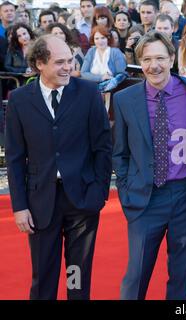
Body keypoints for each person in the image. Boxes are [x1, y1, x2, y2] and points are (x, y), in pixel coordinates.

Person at [5, 34, 112, 300]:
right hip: (40, 201)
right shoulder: (19, 100)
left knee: (76, 274)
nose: (69, 67)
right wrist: (19, 206)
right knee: (43, 274)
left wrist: (99, 193)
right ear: (40, 63)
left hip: (82, 200)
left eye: (71, 61)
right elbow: (15, 157)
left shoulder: (88, 93)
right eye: (60, 62)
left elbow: (103, 147)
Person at [113, 31, 186, 300]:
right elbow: (120, 153)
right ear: (140, 62)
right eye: (147, 59)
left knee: (181, 273)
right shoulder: (124, 99)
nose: (154, 65)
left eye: (161, 58)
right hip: (145, 198)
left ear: (172, 58)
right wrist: (128, 192)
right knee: (136, 276)